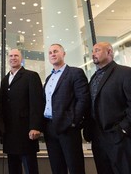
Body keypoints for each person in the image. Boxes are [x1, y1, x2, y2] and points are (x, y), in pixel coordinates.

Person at [83, 42, 131, 174]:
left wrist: (123, 129)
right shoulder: (94, 77)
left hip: (118, 137)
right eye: (92, 51)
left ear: (109, 52)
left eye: (97, 50)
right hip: (97, 137)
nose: (93, 54)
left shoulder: (125, 73)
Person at [43, 44, 90, 174]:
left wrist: (74, 122)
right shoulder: (49, 78)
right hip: (50, 128)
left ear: (64, 54)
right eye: (50, 52)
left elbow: (83, 99)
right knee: (57, 168)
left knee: (75, 167)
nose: (52, 54)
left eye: (56, 51)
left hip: (68, 128)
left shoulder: (75, 72)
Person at [1, 48, 44, 174]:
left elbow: (37, 103)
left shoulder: (31, 76)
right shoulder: (4, 80)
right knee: (13, 167)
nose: (13, 58)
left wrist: (35, 126)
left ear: (21, 58)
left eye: (16, 55)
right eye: (11, 56)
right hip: (9, 132)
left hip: (26, 131)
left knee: (30, 167)